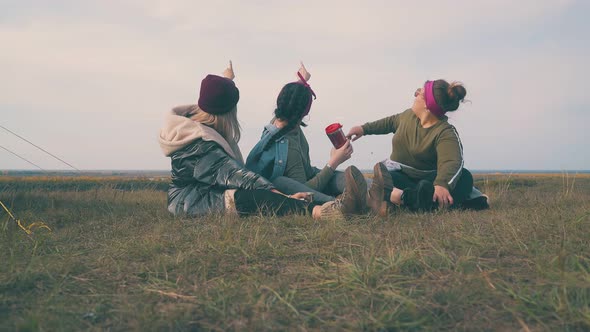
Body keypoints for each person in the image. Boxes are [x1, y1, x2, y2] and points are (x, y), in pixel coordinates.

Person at [158, 62, 366, 220]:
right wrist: (281, 196)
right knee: (248, 199)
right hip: (191, 200)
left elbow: (219, 96)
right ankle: (323, 211)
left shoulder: (206, 115)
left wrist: (228, 79)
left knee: (263, 192)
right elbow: (240, 176)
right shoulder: (200, 146)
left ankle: (381, 195)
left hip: (212, 187)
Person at [347, 79, 489, 215]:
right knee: (385, 179)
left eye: (419, 93)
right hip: (402, 176)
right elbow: (389, 122)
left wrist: (442, 184)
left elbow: (452, 161)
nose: (415, 95)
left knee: (464, 178)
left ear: (427, 105)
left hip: (430, 181)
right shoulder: (407, 116)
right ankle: (420, 200)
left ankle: (406, 199)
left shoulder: (445, 132)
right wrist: (363, 129)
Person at [246, 63, 368, 212]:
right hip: (287, 188)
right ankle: (342, 206)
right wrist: (333, 162)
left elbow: (292, 100)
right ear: (303, 113)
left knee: (346, 179)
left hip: (310, 174)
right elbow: (305, 188)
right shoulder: (288, 145)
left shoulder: (280, 119)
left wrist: (302, 81)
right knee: (284, 181)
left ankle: (379, 192)